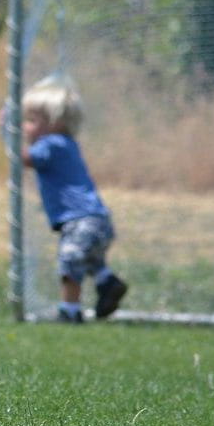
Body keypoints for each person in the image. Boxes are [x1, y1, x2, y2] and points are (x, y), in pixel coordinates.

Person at [19, 78, 128, 323]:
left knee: (69, 261)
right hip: (97, 218)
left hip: (81, 221)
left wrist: (7, 132)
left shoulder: (51, 144)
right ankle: (108, 282)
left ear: (55, 123)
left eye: (31, 121)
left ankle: (70, 311)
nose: (25, 127)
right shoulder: (67, 144)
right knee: (90, 259)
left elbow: (24, 160)